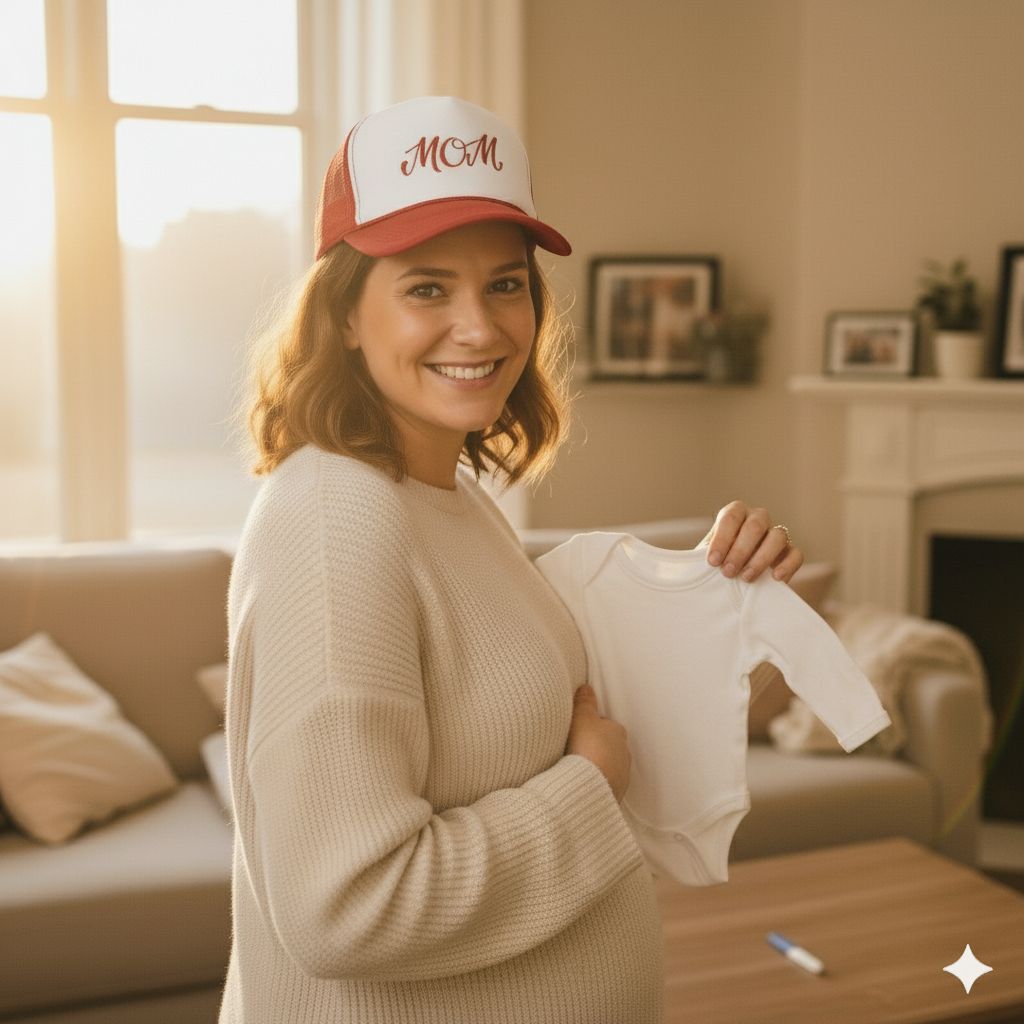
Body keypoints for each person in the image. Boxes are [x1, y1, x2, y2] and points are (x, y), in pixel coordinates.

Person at [219, 95, 803, 1024]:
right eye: (425, 288)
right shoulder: (334, 523)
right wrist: (589, 790)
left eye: (505, 283)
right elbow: (348, 909)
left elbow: (531, 717)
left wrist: (713, 597)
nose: (482, 327)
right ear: (344, 317)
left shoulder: (447, 497)